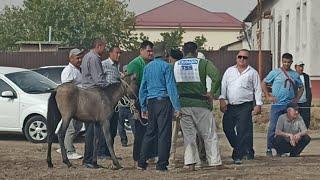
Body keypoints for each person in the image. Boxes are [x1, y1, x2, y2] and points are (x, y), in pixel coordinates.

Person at [173, 42, 222, 171]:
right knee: (209, 135)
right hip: (201, 104)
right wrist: (211, 92)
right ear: (196, 52)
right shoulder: (204, 63)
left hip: (183, 104)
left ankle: (191, 163)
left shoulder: (175, 65)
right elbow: (216, 76)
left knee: (188, 136)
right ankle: (215, 162)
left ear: (183, 52)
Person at [137, 43, 181, 171]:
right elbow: (171, 88)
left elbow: (142, 89)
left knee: (150, 132)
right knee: (164, 133)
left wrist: (143, 107)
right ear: (165, 53)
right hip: (163, 102)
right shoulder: (167, 67)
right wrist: (177, 107)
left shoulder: (147, 67)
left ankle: (141, 162)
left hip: (151, 102)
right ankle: (161, 164)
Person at [219, 49, 262, 164]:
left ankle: (237, 155)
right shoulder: (229, 71)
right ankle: (241, 148)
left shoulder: (252, 72)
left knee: (242, 130)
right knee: (227, 127)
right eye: (240, 57)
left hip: (245, 106)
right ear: (236, 58)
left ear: (248, 59)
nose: (242, 59)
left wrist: (258, 104)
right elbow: (223, 86)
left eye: (245, 57)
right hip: (231, 106)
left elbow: (257, 89)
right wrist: (222, 100)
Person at [261, 53, 304, 157]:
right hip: (277, 105)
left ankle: (282, 150)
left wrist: (297, 99)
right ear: (282, 61)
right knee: (273, 127)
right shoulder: (275, 72)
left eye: (289, 62)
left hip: (290, 105)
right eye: (284, 62)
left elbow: (301, 87)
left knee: (287, 129)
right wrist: (268, 96)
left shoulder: (295, 75)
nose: (286, 64)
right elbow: (263, 82)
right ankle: (269, 148)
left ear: (292, 62)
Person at [127, 40, 155, 167]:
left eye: (152, 51)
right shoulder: (134, 64)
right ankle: (137, 157)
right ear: (141, 50)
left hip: (150, 101)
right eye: (148, 51)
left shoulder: (152, 63)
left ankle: (149, 155)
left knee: (151, 130)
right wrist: (135, 104)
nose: (151, 53)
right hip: (138, 101)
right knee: (139, 131)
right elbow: (132, 86)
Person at [81, 38, 108, 168]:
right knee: (92, 130)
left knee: (91, 129)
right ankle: (89, 160)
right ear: (98, 46)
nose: (105, 50)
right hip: (93, 94)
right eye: (104, 47)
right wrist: (110, 85)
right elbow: (98, 80)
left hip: (87, 93)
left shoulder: (87, 56)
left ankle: (90, 159)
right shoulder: (94, 58)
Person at [56, 48, 85, 160]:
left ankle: (63, 146)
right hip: (72, 103)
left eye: (80, 57)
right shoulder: (68, 70)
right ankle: (69, 150)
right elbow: (67, 89)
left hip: (80, 102)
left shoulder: (78, 69)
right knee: (72, 127)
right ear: (71, 58)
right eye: (77, 58)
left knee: (77, 126)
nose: (80, 60)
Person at [98, 46, 122, 158]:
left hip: (116, 101)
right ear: (110, 53)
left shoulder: (117, 66)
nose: (119, 55)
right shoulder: (104, 65)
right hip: (106, 101)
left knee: (113, 127)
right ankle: (101, 152)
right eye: (117, 53)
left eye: (120, 53)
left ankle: (109, 152)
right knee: (105, 127)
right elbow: (100, 81)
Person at [117, 65, 136, 147]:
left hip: (123, 106)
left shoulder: (119, 81)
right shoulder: (132, 82)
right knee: (133, 124)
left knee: (120, 125)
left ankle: (124, 141)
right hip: (127, 106)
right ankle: (136, 139)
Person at [295, 61, 312, 129]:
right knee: (294, 119)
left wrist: (309, 101)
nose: (301, 68)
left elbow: (309, 89)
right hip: (295, 103)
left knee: (306, 119)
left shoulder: (306, 77)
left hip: (305, 102)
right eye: (299, 66)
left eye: (302, 66)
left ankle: (303, 135)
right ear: (295, 67)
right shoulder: (292, 76)